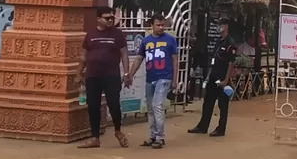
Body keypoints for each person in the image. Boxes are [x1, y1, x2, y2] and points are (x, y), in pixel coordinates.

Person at [79, 8, 131, 148]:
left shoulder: (117, 34)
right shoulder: (90, 34)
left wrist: (127, 74)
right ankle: (95, 137)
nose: (110, 20)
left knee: (114, 104)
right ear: (98, 19)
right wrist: (79, 73)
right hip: (93, 75)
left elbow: (124, 55)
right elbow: (84, 56)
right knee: (93, 106)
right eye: (106, 18)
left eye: (111, 18)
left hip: (111, 75)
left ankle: (118, 131)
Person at [133, 14, 178, 149]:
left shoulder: (170, 40)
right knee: (151, 108)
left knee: (157, 106)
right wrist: (130, 74)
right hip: (150, 77)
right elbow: (139, 59)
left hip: (164, 78)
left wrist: (174, 80)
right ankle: (153, 136)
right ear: (151, 25)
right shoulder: (146, 41)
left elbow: (175, 60)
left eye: (162, 25)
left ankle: (160, 137)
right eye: (158, 25)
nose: (161, 27)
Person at [188, 19, 238, 138]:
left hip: (222, 78)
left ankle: (221, 129)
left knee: (223, 104)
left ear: (226, 26)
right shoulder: (218, 41)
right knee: (208, 102)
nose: (218, 27)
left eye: (220, 25)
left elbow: (231, 63)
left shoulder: (230, 43)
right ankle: (202, 126)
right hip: (213, 76)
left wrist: (226, 80)